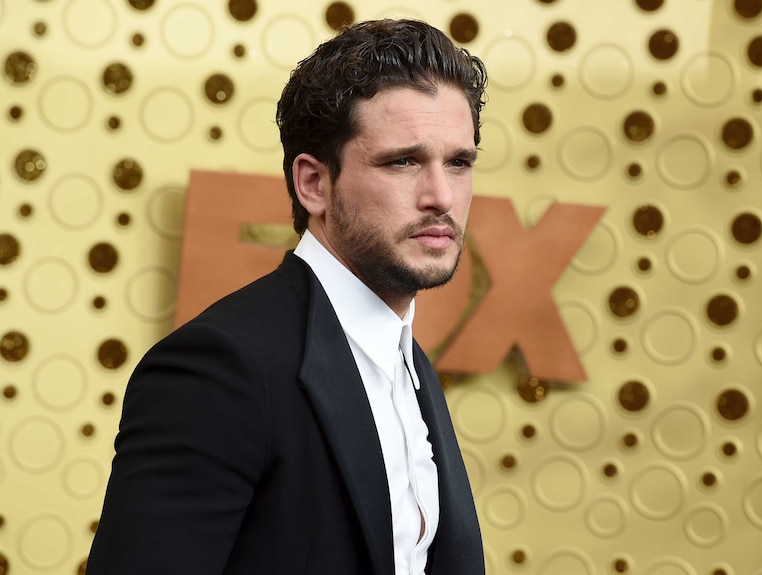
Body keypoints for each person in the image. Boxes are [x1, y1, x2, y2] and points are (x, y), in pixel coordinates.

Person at [86, 18, 488, 575]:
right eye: (403, 161)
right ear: (314, 184)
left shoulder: (408, 363)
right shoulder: (221, 367)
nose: (441, 195)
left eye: (459, 163)